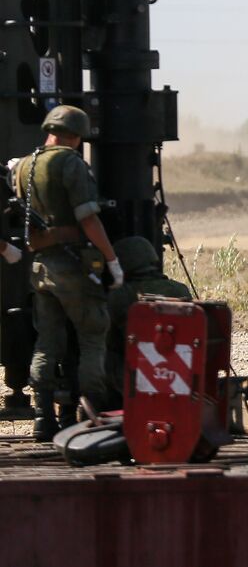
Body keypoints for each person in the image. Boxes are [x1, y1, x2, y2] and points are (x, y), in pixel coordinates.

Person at [11, 105, 123, 440]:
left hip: (40, 267)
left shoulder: (24, 165)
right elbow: (88, 218)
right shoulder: (70, 163)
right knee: (92, 337)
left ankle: (43, 418)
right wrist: (112, 260)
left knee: (47, 342)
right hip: (74, 265)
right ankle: (92, 418)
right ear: (75, 136)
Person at [106, 235, 192, 397]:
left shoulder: (119, 296)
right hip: (178, 373)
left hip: (134, 376)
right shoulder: (180, 290)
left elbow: (108, 340)